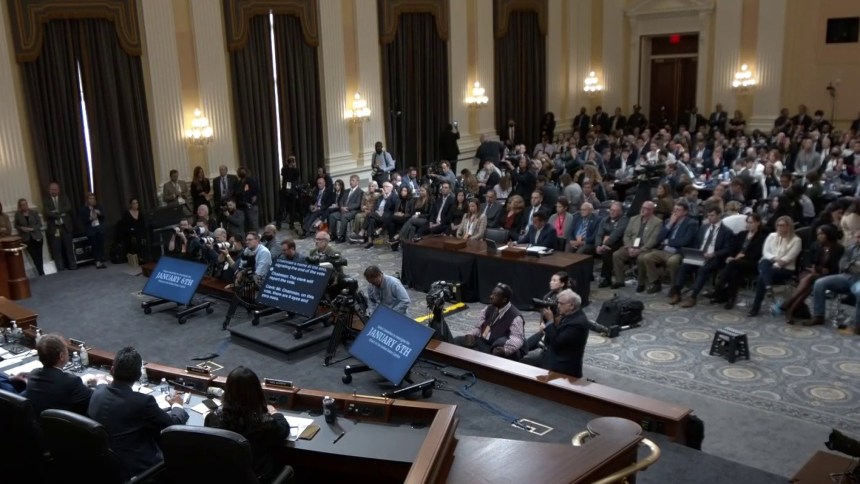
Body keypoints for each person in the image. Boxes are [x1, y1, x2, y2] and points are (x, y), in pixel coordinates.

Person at [88, 346, 189, 478]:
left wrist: (100, 379)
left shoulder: (97, 392)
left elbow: (101, 385)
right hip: (136, 470)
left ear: (112, 370)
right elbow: (172, 426)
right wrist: (177, 405)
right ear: (139, 376)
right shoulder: (143, 402)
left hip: (105, 466)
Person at [204, 366, 289, 482]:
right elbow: (283, 430)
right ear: (257, 392)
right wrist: (275, 414)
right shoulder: (263, 422)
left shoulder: (212, 418)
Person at [773, 224, 843, 324]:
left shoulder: (839, 249)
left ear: (828, 234)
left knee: (811, 280)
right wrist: (816, 268)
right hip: (810, 271)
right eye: (818, 234)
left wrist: (818, 269)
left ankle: (789, 304)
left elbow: (835, 268)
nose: (819, 236)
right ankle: (790, 310)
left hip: (827, 276)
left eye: (821, 234)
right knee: (810, 282)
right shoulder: (815, 245)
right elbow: (808, 261)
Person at [669, 207, 734, 307]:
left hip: (714, 257)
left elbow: (728, 249)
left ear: (719, 215)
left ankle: (693, 296)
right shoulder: (704, 227)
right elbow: (697, 242)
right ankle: (677, 292)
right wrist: (695, 252)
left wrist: (714, 254)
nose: (709, 218)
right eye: (708, 216)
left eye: (712, 215)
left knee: (703, 269)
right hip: (700, 255)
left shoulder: (726, 231)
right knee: (684, 266)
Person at [523, 289, 589, 378]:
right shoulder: (570, 315)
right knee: (520, 362)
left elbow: (556, 342)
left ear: (571, 306)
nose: (558, 306)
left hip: (563, 366)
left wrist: (550, 321)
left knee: (525, 369)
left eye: (561, 303)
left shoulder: (577, 324)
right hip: (553, 356)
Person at [23, 333, 92, 417]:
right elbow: (93, 400)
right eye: (67, 350)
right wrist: (100, 382)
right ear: (62, 356)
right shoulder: (71, 381)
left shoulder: (33, 374)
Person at [639, 202, 699, 293]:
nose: (675, 212)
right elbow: (659, 238)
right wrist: (670, 223)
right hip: (665, 250)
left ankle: (674, 286)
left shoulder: (691, 223)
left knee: (672, 261)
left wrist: (668, 242)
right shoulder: (668, 221)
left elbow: (685, 241)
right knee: (647, 257)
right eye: (674, 210)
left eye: (678, 210)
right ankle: (655, 282)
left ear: (685, 212)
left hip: (679, 251)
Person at [747, 216, 802, 317]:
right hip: (768, 266)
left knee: (762, 276)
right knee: (764, 263)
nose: (779, 228)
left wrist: (775, 263)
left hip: (785, 269)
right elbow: (765, 252)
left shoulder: (796, 240)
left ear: (789, 226)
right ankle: (768, 288)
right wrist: (775, 259)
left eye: (782, 225)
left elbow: (787, 259)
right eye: (777, 225)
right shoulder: (772, 236)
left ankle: (756, 307)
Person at [453, 283, 524, 359]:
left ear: (504, 300)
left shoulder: (515, 317)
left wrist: (505, 350)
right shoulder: (488, 308)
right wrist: (471, 334)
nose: (491, 297)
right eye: (492, 294)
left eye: (495, 295)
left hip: (496, 347)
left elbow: (517, 339)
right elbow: (478, 328)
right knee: (457, 341)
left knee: (476, 354)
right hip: (483, 342)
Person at [809, 230, 860, 333]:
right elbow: (842, 263)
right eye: (857, 237)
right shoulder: (852, 248)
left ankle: (858, 325)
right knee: (820, 283)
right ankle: (819, 316)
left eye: (859, 237)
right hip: (847, 276)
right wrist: (852, 264)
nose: (857, 239)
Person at [221, 232, 273, 328]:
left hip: (263, 280)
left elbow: (258, 275)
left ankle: (228, 319)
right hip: (251, 276)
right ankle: (230, 317)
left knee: (239, 287)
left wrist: (240, 279)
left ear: (257, 240)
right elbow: (241, 267)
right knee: (238, 282)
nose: (247, 242)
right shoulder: (247, 250)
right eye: (246, 240)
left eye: (250, 240)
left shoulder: (264, 252)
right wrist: (239, 274)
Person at [612, 201, 662, 290]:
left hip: (645, 248)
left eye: (646, 208)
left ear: (651, 211)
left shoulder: (657, 222)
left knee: (641, 258)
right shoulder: (633, 219)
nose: (643, 210)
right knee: (617, 255)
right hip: (631, 246)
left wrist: (640, 250)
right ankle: (619, 281)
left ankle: (641, 283)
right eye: (642, 207)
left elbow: (653, 240)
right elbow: (626, 235)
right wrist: (629, 247)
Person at [524, 272, 571, 353]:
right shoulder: (548, 295)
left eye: (554, 280)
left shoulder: (566, 299)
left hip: (558, 335)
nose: (551, 282)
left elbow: (562, 322)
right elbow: (543, 312)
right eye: (551, 280)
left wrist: (550, 322)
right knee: (524, 347)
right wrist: (542, 323)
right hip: (547, 330)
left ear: (562, 284)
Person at [43, 182, 77, 270]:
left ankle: (72, 265)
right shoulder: (46, 200)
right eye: (52, 190)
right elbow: (47, 212)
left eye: (55, 189)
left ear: (58, 190)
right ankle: (60, 268)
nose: (53, 191)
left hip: (65, 227)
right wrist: (60, 214)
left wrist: (56, 211)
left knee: (69, 247)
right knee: (57, 249)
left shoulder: (64, 198)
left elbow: (68, 208)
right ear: (49, 190)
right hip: (54, 228)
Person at [594, 201, 628, 288]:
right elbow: (599, 234)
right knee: (590, 250)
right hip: (604, 243)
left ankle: (606, 279)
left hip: (618, 243)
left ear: (620, 212)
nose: (612, 212)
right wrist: (598, 245)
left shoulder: (624, 220)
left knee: (607, 252)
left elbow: (616, 235)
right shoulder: (605, 220)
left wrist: (604, 245)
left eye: (615, 211)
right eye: (611, 210)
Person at [329, 175, 363, 243]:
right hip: (343, 210)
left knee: (344, 217)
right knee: (332, 216)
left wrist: (347, 208)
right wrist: (341, 207)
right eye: (350, 180)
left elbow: (357, 204)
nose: (351, 182)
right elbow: (341, 201)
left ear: (357, 182)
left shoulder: (360, 192)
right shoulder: (346, 191)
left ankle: (342, 236)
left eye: (353, 180)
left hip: (352, 211)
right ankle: (333, 235)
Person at [14, 198, 44, 276]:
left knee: (39, 255)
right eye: (22, 205)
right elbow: (16, 225)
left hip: (36, 236)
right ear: (20, 206)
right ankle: (40, 272)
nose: (24, 206)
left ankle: (41, 272)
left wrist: (33, 228)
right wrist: (21, 228)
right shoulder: (18, 215)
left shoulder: (34, 212)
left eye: (25, 204)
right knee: (34, 256)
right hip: (26, 238)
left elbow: (39, 224)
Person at [80, 193, 107, 269]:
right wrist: (91, 218)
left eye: (93, 198)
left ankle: (101, 260)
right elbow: (84, 221)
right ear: (87, 200)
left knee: (101, 244)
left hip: (99, 228)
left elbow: (103, 217)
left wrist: (99, 214)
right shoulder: (83, 209)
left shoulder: (99, 207)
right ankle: (97, 261)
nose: (92, 200)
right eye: (90, 199)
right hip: (91, 230)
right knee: (95, 245)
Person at [118, 198, 146, 263]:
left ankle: (142, 257)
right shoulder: (127, 214)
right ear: (131, 205)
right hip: (131, 233)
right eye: (134, 203)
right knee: (134, 238)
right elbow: (125, 225)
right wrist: (131, 229)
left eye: (136, 203)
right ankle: (137, 258)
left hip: (139, 232)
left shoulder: (141, 213)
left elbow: (143, 224)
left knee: (143, 238)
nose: (135, 204)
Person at [278, 157, 301, 230]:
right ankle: (278, 224)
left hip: (292, 191)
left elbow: (297, 176)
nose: (293, 163)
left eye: (293, 161)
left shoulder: (296, 169)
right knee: (281, 208)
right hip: (285, 191)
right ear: (289, 162)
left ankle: (291, 224)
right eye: (291, 161)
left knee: (292, 209)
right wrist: (290, 168)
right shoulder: (284, 169)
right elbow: (286, 175)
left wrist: (294, 168)